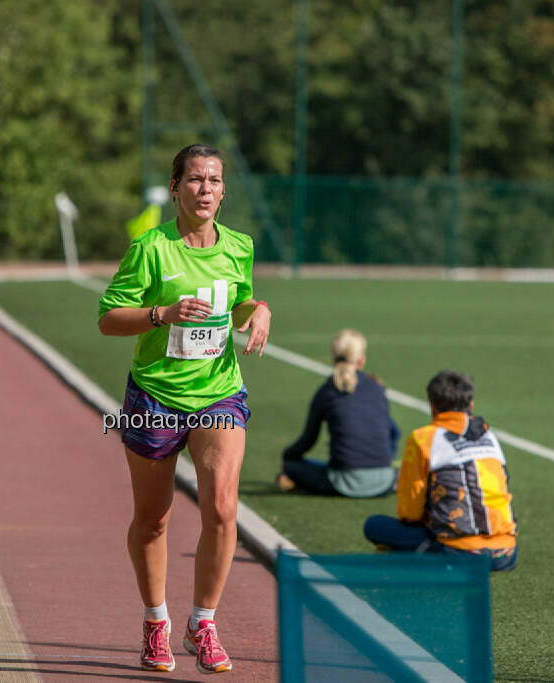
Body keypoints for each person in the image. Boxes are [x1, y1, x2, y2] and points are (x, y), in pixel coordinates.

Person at [98, 143, 271, 674]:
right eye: (194, 179)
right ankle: (156, 623)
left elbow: (238, 299)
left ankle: (204, 622)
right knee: (154, 519)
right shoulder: (150, 248)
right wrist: (162, 313)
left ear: (223, 191)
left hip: (217, 391)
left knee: (221, 508)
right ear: (175, 188)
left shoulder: (238, 245)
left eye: (214, 181)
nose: (205, 189)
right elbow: (108, 318)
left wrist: (258, 308)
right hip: (154, 394)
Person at [363, 370, 518, 571]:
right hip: (505, 554)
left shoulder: (423, 439)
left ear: (432, 406)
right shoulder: (488, 435)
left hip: (460, 553)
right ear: (470, 404)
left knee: (374, 526)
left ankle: (415, 557)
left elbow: (410, 512)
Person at [276, 329, 398, 497]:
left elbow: (308, 441)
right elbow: (393, 433)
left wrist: (287, 457)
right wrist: (383, 462)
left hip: (343, 481)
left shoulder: (326, 392)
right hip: (385, 479)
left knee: (293, 466)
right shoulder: (377, 388)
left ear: (333, 358)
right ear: (361, 360)